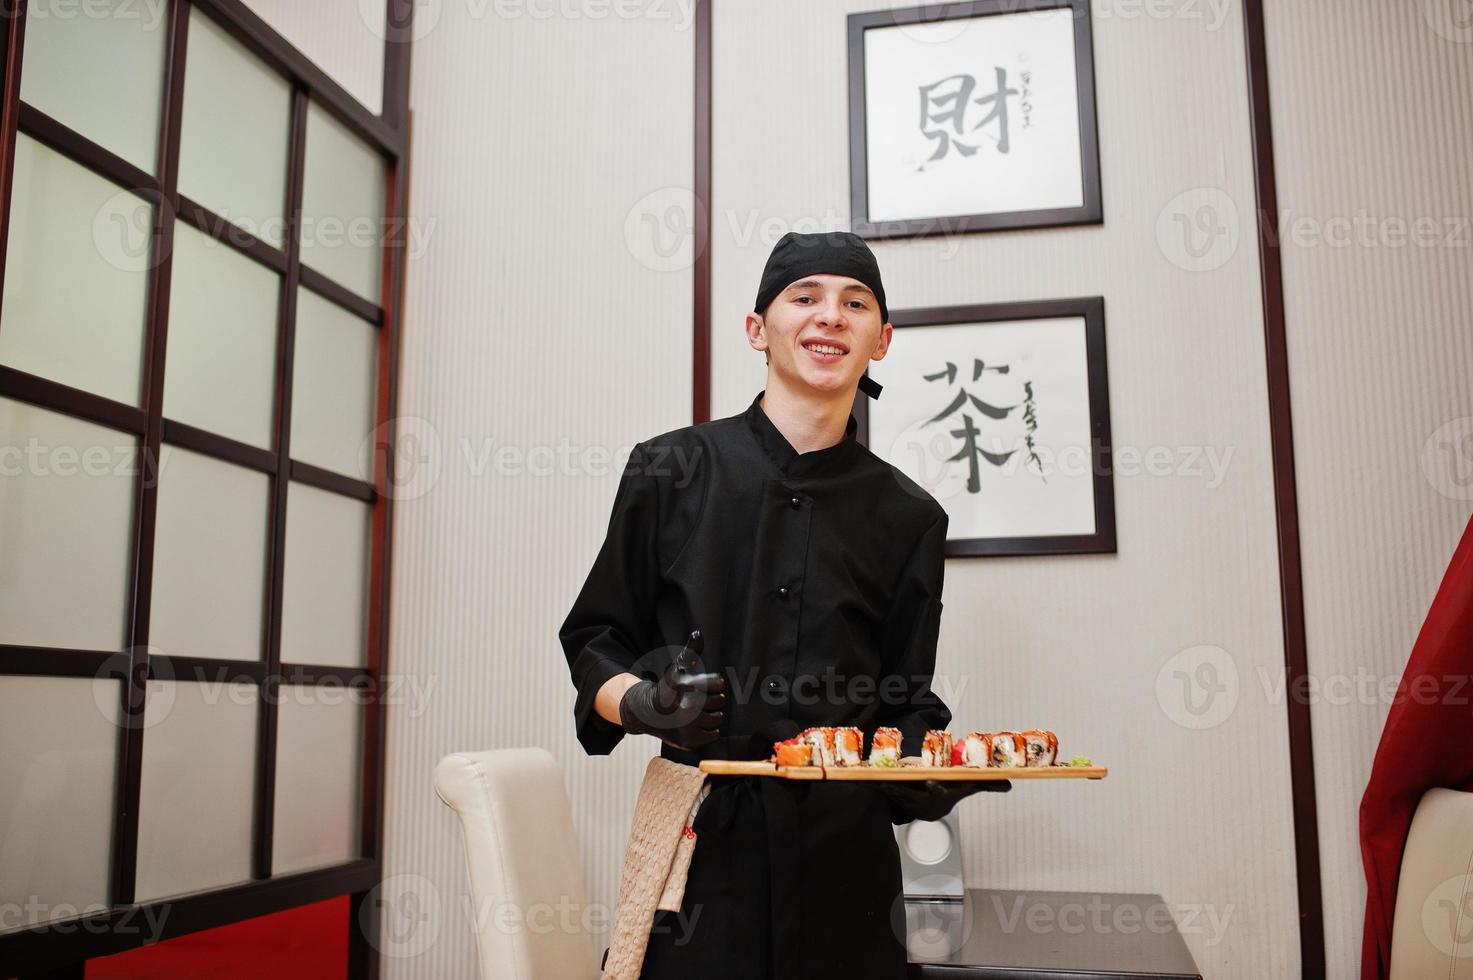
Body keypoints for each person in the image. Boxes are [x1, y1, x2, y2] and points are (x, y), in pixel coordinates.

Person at [559, 230, 1009, 980]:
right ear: (755, 329)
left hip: (847, 866)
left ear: (882, 340)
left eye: (854, 304)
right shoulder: (670, 470)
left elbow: (904, 695)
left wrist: (920, 771)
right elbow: (595, 638)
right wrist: (640, 702)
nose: (829, 316)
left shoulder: (909, 515)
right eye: (805, 298)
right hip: (700, 845)